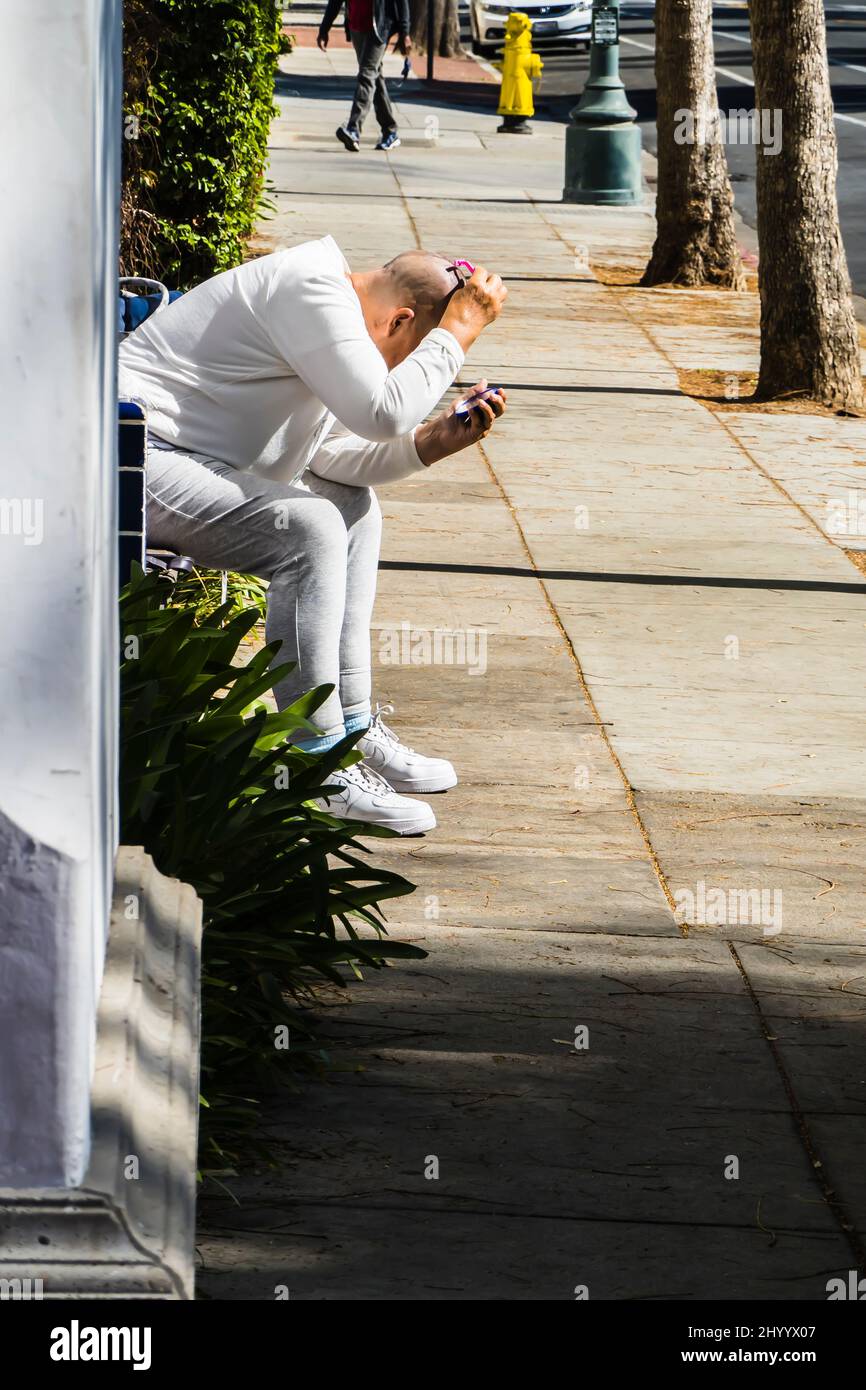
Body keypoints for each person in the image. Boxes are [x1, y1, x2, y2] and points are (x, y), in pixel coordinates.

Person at [118, 237, 507, 834]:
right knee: (309, 529)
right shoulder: (310, 289)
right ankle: (314, 761)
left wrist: (431, 442)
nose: (398, 373)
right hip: (130, 453)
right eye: (411, 356)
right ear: (401, 319)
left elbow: (331, 458)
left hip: (185, 459)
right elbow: (381, 414)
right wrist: (457, 331)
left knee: (348, 506)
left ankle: (350, 725)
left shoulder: (334, 307)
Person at [317, 0, 409, 152]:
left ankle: (353, 129)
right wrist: (324, 28)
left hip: (379, 27)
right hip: (356, 26)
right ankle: (390, 131)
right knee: (374, 76)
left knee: (366, 75)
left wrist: (405, 32)